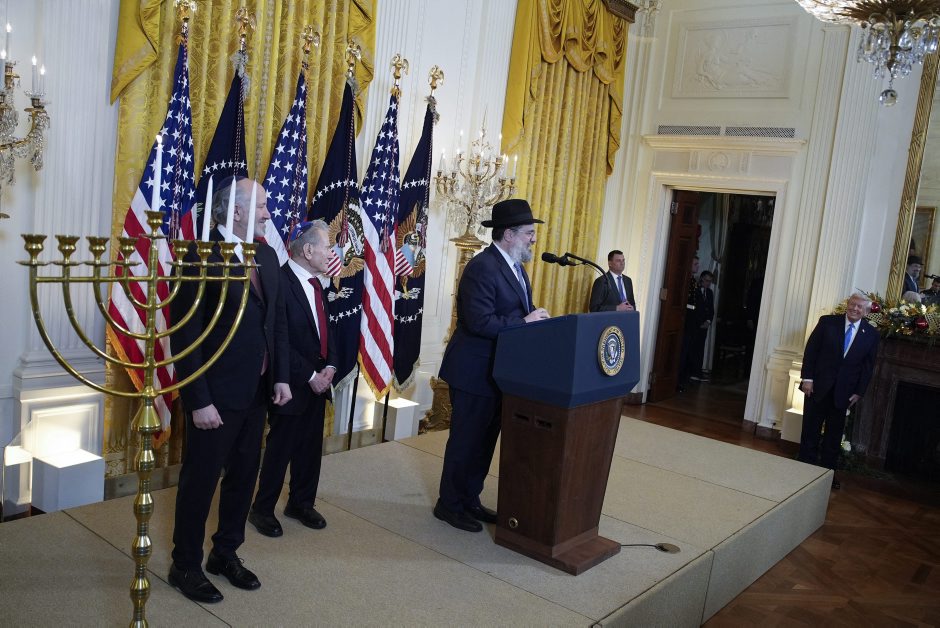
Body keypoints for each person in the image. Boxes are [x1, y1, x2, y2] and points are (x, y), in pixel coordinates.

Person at [169, 176, 291, 603]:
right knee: (200, 482)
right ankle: (185, 564)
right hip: (215, 397)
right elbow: (185, 336)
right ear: (236, 211)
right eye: (261, 207)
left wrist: (280, 376)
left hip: (257, 391)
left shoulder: (267, 255)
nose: (268, 214)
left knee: (243, 477)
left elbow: (276, 321)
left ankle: (225, 553)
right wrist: (198, 400)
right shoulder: (198, 256)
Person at [435, 198, 550, 532]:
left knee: (485, 442)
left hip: (499, 373)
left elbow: (517, 311)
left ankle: (469, 499)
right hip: (473, 372)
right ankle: (449, 505)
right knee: (466, 442)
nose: (533, 239)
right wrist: (524, 322)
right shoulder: (482, 267)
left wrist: (534, 317)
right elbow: (479, 321)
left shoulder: (516, 267)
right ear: (509, 234)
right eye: (528, 233)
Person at [249, 220, 337, 537]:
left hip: (319, 382)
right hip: (290, 382)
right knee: (280, 449)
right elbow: (279, 339)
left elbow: (326, 331)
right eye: (327, 247)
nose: (332, 253)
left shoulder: (317, 283)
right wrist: (310, 375)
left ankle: (301, 503)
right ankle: (262, 510)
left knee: (310, 448)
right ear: (308, 250)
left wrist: (331, 367)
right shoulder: (281, 283)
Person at [798, 293, 879, 489]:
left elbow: (868, 367)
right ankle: (803, 473)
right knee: (810, 432)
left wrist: (859, 392)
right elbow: (811, 351)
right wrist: (807, 379)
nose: (855, 308)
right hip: (817, 388)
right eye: (853, 304)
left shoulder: (871, 334)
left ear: (866, 311)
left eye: (860, 307)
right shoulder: (827, 322)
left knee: (833, 438)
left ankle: (827, 476)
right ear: (847, 305)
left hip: (844, 393)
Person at [677, 256, 701, 392]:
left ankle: (683, 379)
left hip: (692, 322)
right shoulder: (686, 280)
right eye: (695, 264)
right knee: (682, 353)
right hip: (685, 321)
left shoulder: (693, 281)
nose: (698, 266)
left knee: (688, 353)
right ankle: (678, 382)